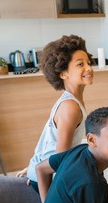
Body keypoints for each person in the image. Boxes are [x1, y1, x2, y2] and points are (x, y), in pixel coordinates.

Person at [16, 34, 93, 193]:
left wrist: (32, 166)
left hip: (43, 170)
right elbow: (61, 159)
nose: (89, 68)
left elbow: (48, 140)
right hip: (47, 179)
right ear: (63, 74)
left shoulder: (71, 101)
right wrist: (52, 200)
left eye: (88, 63)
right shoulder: (70, 107)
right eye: (80, 64)